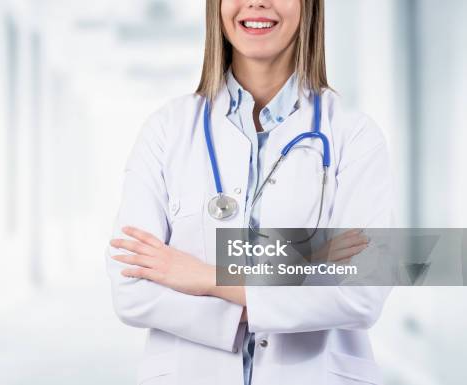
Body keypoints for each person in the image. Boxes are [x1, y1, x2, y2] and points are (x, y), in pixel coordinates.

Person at [107, 0, 393, 384]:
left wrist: (209, 278)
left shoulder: (354, 136)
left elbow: (361, 292)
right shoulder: (166, 130)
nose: (257, 3)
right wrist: (274, 300)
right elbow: (132, 290)